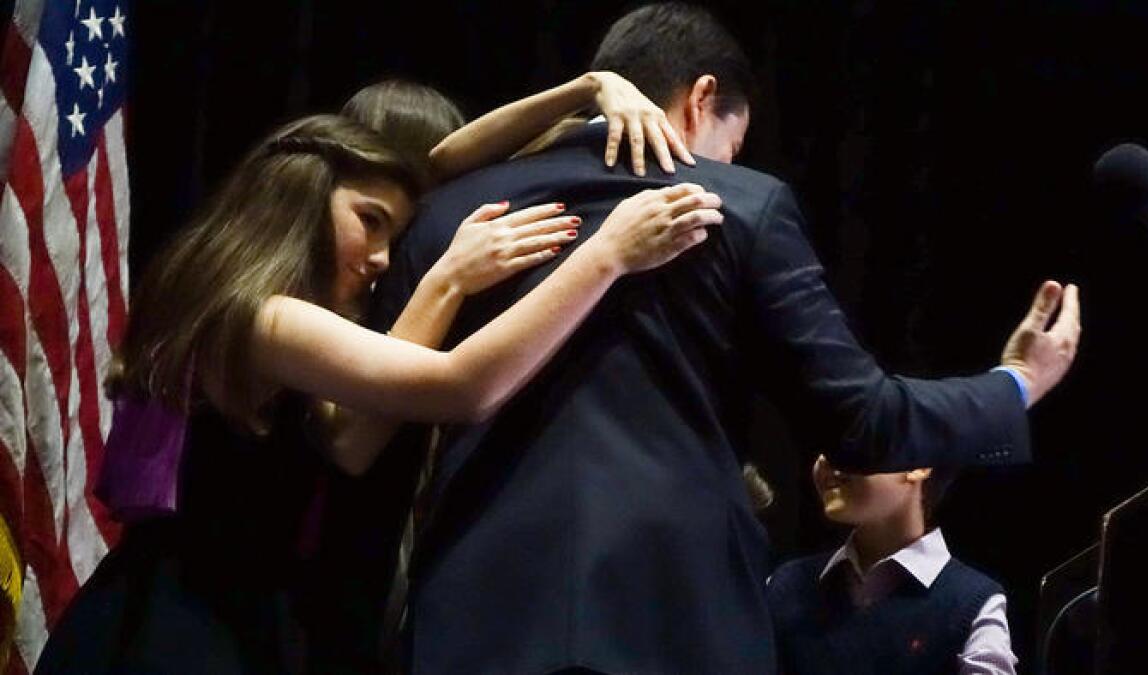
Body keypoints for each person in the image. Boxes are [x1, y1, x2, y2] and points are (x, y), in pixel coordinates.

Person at [370, 3, 1082, 673]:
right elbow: (865, 424)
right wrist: (1016, 382)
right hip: (675, 622)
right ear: (700, 99)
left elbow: (380, 436)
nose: (727, 166)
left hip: (471, 622)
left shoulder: (450, 215)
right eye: (731, 145)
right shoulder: (741, 207)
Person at [33, 111, 720, 674]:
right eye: (371, 221)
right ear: (298, 198)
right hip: (178, 637)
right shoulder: (263, 318)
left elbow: (353, 441)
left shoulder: (232, 308)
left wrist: (580, 90)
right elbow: (464, 387)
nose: (385, 258)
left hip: (205, 620)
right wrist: (608, 255)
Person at [767, 455, 1017, 674]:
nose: (825, 460)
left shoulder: (973, 603)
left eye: (852, 438)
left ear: (919, 464)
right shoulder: (784, 586)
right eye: (824, 443)